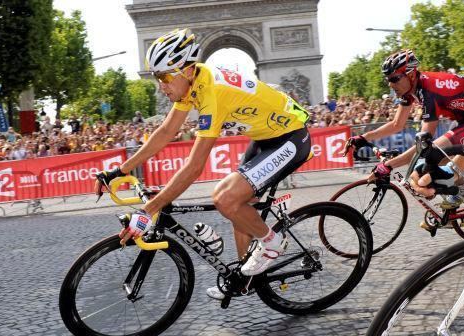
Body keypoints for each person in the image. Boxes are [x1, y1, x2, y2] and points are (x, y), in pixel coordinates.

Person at [95, 28, 312, 299]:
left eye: (164, 77)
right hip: (264, 137)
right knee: (238, 207)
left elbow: (195, 166)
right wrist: (120, 170)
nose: (160, 84)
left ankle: (272, 241)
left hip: (290, 138)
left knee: (225, 199)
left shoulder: (213, 92)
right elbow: (165, 131)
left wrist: (149, 209)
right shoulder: (192, 84)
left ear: (186, 70)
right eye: (156, 76)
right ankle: (243, 279)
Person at [345, 49, 464, 207]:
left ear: (410, 74)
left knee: (433, 173)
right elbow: (397, 124)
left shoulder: (428, 91)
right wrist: (364, 137)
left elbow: (423, 144)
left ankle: (461, 188)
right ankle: (459, 193)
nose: (391, 84)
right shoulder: (409, 91)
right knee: (421, 175)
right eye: (388, 79)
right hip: (463, 120)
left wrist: (388, 165)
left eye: (395, 78)